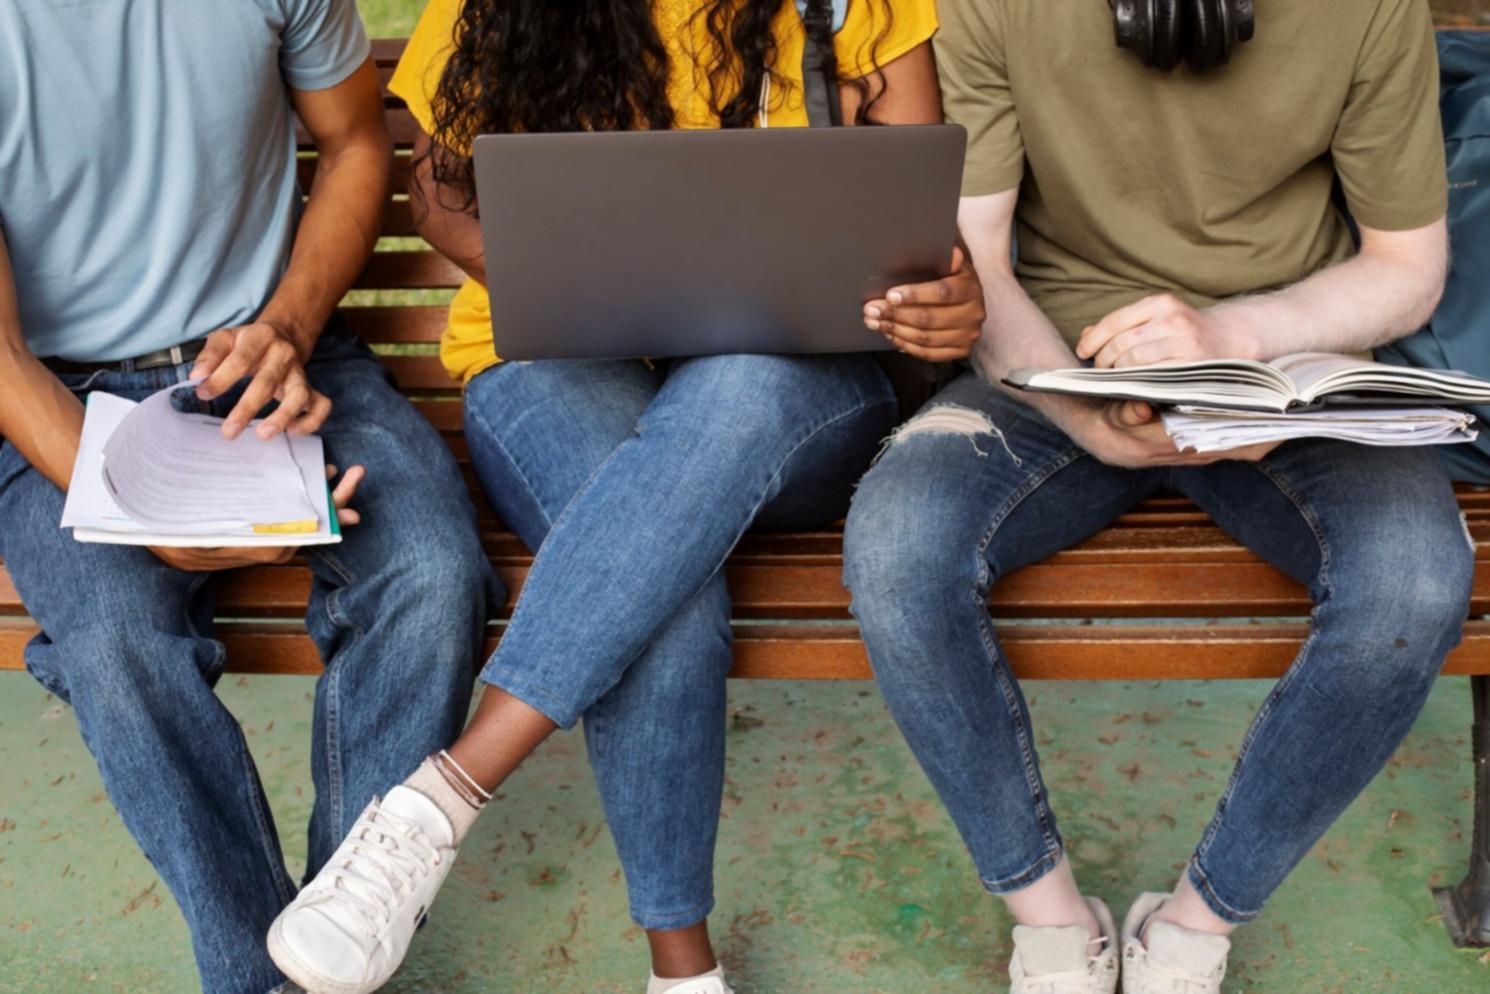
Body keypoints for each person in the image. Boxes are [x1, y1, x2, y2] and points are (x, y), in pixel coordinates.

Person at [266, 2, 983, 993]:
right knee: (661, 582)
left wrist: (949, 300)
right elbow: (440, 200)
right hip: (555, 361)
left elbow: (918, 235)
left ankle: (440, 797)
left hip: (782, 390)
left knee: (730, 391)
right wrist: (590, 284)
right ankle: (682, 971)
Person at [841, 1, 1471, 992]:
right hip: (1053, 364)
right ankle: (1049, 919)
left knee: (1414, 581)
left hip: (1275, 369)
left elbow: (1404, 267)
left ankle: (1191, 926)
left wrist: (1235, 341)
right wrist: (1082, 412)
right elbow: (978, 262)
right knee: (894, 549)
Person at [0, 3, 494, 992]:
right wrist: (141, 509)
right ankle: (265, 977)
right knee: (116, 644)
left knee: (432, 576)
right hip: (61, 393)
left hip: (281, 359)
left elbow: (355, 140)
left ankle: (335, 941)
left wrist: (286, 327)